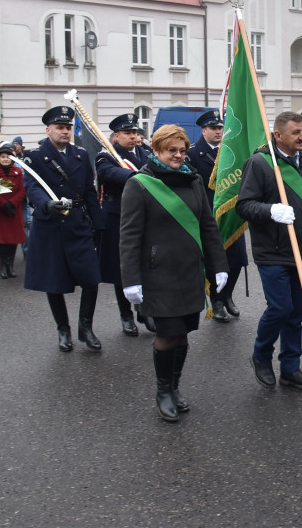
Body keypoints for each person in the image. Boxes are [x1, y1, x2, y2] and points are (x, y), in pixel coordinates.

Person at [120, 124, 229, 422]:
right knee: (167, 335)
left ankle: (175, 386)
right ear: (155, 151)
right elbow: (129, 236)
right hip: (158, 275)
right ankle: (163, 390)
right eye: (171, 150)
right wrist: (130, 280)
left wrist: (219, 265)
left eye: (182, 150)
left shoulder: (193, 181)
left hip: (189, 272)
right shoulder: (139, 184)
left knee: (182, 335)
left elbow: (208, 227)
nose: (178, 155)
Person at [237, 111, 302, 391]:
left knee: (295, 312)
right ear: (278, 135)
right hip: (272, 251)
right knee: (280, 308)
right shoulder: (259, 164)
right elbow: (244, 205)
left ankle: (291, 367)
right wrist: (270, 210)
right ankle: (261, 355)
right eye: (295, 132)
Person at [23, 106, 105, 352]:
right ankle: (63, 329)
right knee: (54, 280)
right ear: (48, 130)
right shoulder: (35, 155)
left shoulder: (80, 154)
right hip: (50, 224)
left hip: (78, 222)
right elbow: (31, 186)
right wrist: (46, 204)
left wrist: (99, 222)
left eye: (68, 127)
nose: (65, 131)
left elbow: (90, 190)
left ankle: (86, 328)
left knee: (91, 278)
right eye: (59, 127)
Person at [186, 110, 249, 323]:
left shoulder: (230, 151)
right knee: (214, 260)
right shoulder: (193, 153)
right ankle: (217, 301)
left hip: (230, 213)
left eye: (220, 128)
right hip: (209, 213)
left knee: (238, 258)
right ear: (203, 131)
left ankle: (228, 294)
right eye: (213, 128)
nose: (218, 131)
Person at [95, 113, 152, 336]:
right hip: (117, 215)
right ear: (116, 136)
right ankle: (126, 315)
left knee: (145, 264)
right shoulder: (106, 156)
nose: (132, 136)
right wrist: (137, 176)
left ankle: (143, 312)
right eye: (127, 133)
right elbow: (110, 174)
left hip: (144, 215)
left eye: (135, 132)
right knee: (121, 268)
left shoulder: (145, 153)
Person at [0, 143, 26, 279]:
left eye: (8, 157)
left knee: (14, 239)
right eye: (2, 157)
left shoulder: (18, 171)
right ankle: (3, 265)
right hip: (0, 210)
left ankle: (11, 265)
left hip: (15, 210)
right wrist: (3, 204)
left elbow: (22, 190)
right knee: (4, 240)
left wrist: (12, 203)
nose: (5, 159)